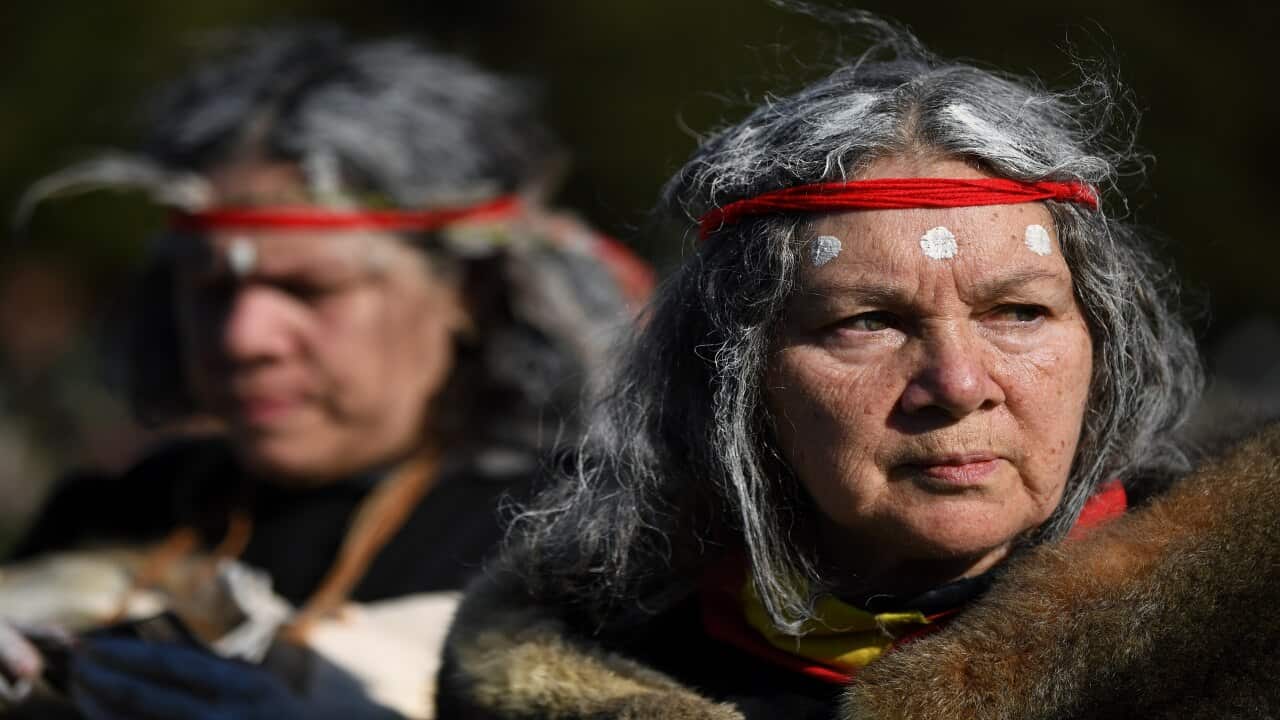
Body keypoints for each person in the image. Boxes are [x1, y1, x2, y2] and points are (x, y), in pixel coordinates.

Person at [436, 18, 1280, 719]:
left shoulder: (1242, 641)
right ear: (737, 379)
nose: (957, 385)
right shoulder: (583, 661)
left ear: (1106, 346)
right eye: (867, 321)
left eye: (1019, 312)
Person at [0, 27, 650, 719]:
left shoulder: (584, 546)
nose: (246, 337)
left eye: (311, 289)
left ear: (469, 295)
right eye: (209, 289)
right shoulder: (117, 511)